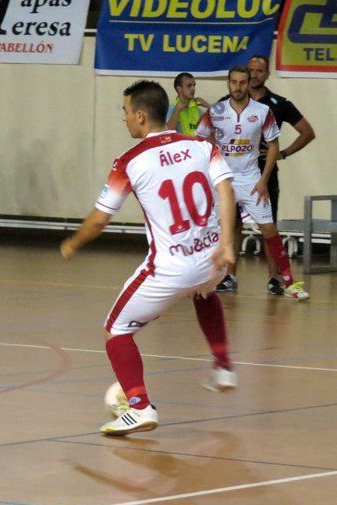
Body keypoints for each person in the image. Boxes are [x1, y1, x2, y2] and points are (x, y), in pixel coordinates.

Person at [60, 80, 238, 436]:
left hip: (169, 268)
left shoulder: (129, 161)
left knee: (117, 330)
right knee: (205, 292)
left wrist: (73, 243)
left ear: (140, 116)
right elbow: (226, 189)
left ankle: (139, 407)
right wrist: (229, 243)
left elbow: (99, 220)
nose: (124, 119)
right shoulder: (202, 146)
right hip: (211, 258)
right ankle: (222, 365)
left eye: (125, 112)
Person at [196, 66, 309, 300]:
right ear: (228, 83)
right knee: (214, 230)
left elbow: (274, 146)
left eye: (242, 83)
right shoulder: (216, 110)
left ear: (248, 84)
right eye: (233, 82)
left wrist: (263, 180)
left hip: (251, 180)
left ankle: (289, 282)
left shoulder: (262, 111)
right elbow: (200, 141)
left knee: (269, 229)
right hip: (222, 181)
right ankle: (205, 280)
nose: (238, 87)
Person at [247, 55, 316, 295]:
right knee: (230, 223)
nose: (254, 74)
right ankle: (227, 276)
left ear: (267, 74)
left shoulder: (278, 103)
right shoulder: (232, 102)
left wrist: (283, 153)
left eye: (259, 71)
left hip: (265, 174)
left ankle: (275, 278)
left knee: (269, 225)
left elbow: (307, 132)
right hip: (235, 173)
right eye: (251, 70)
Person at [165, 72, 209, 137]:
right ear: (179, 88)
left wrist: (208, 106)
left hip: (196, 145)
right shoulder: (171, 109)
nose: (193, 88)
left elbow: (211, 130)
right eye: (189, 85)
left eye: (194, 85)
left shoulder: (197, 109)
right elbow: (167, 133)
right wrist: (177, 110)